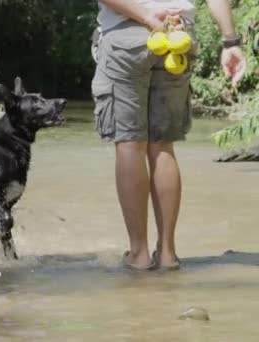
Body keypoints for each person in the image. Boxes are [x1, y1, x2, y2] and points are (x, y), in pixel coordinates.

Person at [92, 0, 246, 270]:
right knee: (162, 145)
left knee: (130, 144)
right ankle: (167, 254)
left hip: (126, 35)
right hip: (178, 35)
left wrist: (148, 18)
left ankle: (138, 255)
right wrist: (230, 42)